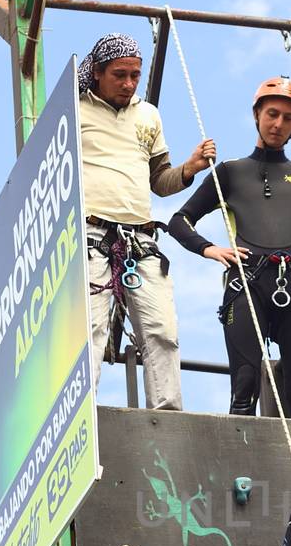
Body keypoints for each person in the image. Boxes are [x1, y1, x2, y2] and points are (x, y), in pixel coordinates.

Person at [167, 78, 291, 420]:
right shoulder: (231, 172)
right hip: (247, 284)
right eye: (272, 114)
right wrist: (210, 249)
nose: (278, 124)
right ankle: (241, 469)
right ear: (256, 114)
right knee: (244, 389)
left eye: (288, 118)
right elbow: (179, 221)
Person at [79, 33, 215, 411]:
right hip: (90, 235)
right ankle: (81, 416)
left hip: (140, 239)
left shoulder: (148, 115)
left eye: (135, 75)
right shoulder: (74, 109)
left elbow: (160, 181)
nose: (128, 83)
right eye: (119, 75)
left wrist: (189, 169)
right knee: (90, 329)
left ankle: (168, 418)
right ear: (97, 73)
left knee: (162, 332)